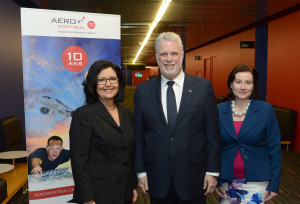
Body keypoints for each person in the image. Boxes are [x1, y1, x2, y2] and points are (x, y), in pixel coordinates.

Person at [133, 32, 221, 204]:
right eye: (163, 54)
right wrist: (141, 172)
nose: (169, 59)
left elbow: (213, 135)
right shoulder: (143, 90)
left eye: (173, 53)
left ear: (182, 55)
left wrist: (212, 171)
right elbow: (138, 136)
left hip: (193, 178)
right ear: (157, 57)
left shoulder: (203, 88)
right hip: (156, 178)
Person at [69, 60, 138, 204]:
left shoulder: (126, 113)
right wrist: (87, 199)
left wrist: (132, 186)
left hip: (124, 191)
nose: (108, 84)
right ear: (93, 84)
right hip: (98, 193)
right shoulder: (84, 114)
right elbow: (79, 161)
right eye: (101, 80)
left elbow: (129, 155)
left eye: (113, 79)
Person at [215, 64, 282, 204]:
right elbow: (213, 148)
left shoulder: (265, 110)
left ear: (253, 86)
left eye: (248, 82)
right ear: (231, 85)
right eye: (238, 82)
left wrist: (275, 183)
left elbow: (274, 150)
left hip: (258, 182)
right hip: (227, 182)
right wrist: (215, 179)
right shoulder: (219, 111)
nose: (243, 87)